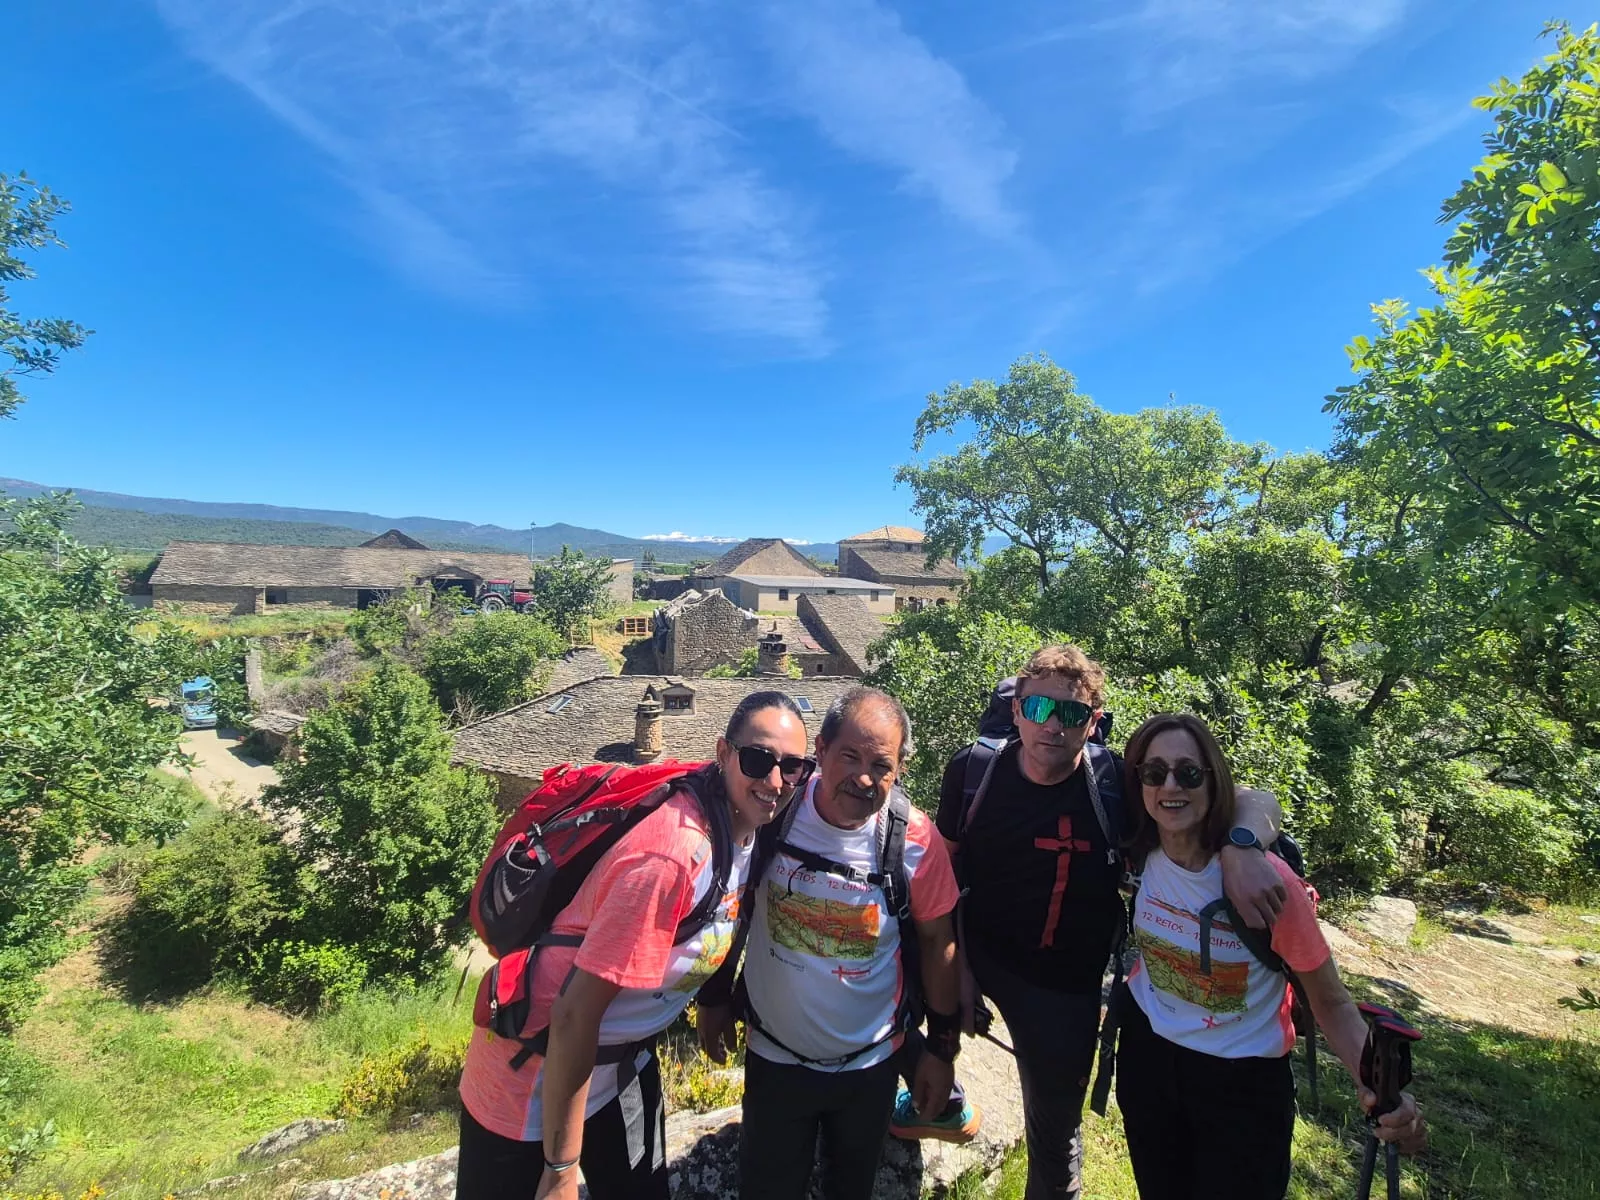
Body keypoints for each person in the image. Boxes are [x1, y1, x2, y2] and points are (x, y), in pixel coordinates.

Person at [936, 644, 1288, 1200]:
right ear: (1018, 711)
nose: (1053, 726)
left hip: (1062, 983)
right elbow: (945, 871)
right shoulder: (974, 771)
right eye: (1039, 709)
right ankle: (934, 1099)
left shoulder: (1116, 784)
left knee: (1054, 1137)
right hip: (978, 947)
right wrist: (954, 970)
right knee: (888, 954)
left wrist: (1242, 846)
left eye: (1072, 714)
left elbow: (1249, 797)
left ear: (1093, 722)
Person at [455, 691, 815, 1200]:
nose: (775, 781)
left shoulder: (746, 825)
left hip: (620, 1068)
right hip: (531, 1084)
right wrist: (560, 1168)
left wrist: (713, 1003)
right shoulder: (671, 856)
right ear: (723, 754)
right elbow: (574, 1015)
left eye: (793, 766)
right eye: (758, 760)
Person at [1114, 713, 1425, 1199]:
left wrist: (1379, 1090)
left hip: (1243, 1084)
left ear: (1214, 780)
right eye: (1155, 773)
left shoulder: (1267, 883)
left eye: (1189, 773)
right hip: (1147, 1060)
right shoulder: (1139, 848)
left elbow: (1331, 1001)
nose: (1170, 785)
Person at [698, 686, 972, 1200]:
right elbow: (735, 905)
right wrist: (713, 998)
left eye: (881, 765)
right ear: (820, 751)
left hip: (870, 1067)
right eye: (849, 756)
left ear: (900, 770)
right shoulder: (774, 813)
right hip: (775, 1058)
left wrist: (940, 1049)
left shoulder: (912, 839)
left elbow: (939, 944)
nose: (864, 778)